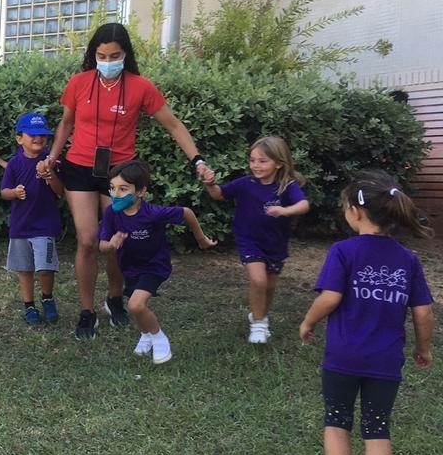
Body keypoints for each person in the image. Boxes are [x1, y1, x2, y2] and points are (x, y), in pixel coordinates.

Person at [39, 23, 212, 340]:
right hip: (78, 167)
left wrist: (198, 160)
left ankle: (115, 298)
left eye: (114, 55)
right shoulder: (79, 82)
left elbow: (173, 125)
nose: (107, 61)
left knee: (118, 240)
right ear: (94, 54)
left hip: (119, 173)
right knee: (88, 240)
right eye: (101, 55)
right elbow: (65, 124)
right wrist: (52, 156)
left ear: (125, 55)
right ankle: (87, 312)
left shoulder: (140, 87)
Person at [300, 170, 434, 455]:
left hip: (342, 358)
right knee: (377, 428)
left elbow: (331, 297)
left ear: (355, 212)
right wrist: (425, 349)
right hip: (385, 362)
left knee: (337, 421)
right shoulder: (408, 259)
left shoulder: (344, 251)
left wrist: (308, 321)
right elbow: (423, 312)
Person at [98, 161, 216, 364]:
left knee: (136, 306)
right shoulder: (111, 213)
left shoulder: (153, 214)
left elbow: (186, 212)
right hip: (129, 267)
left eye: (123, 189)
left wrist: (201, 239)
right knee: (137, 306)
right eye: (112, 188)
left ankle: (159, 338)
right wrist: (112, 244)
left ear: (141, 191)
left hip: (154, 266)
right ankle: (146, 335)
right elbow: (102, 246)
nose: (116, 194)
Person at [202, 136, 310, 343]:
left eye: (262, 161)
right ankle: (258, 325)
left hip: (275, 243)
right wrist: (210, 184)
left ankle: (260, 316)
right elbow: (219, 194)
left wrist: (285, 210)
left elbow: (303, 205)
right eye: (252, 160)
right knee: (258, 280)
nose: (256, 165)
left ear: (279, 163)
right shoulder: (245, 183)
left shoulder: (287, 186)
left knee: (269, 286)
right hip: (249, 240)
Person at [0, 112, 65, 325]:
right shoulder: (14, 164)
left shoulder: (51, 161)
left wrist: (48, 174)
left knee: (45, 269)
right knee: (25, 270)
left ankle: (47, 298)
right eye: (32, 135)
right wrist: (14, 192)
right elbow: (3, 192)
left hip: (44, 225)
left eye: (42, 135)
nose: (38, 139)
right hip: (20, 226)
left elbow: (60, 192)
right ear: (19, 138)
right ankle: (29, 306)